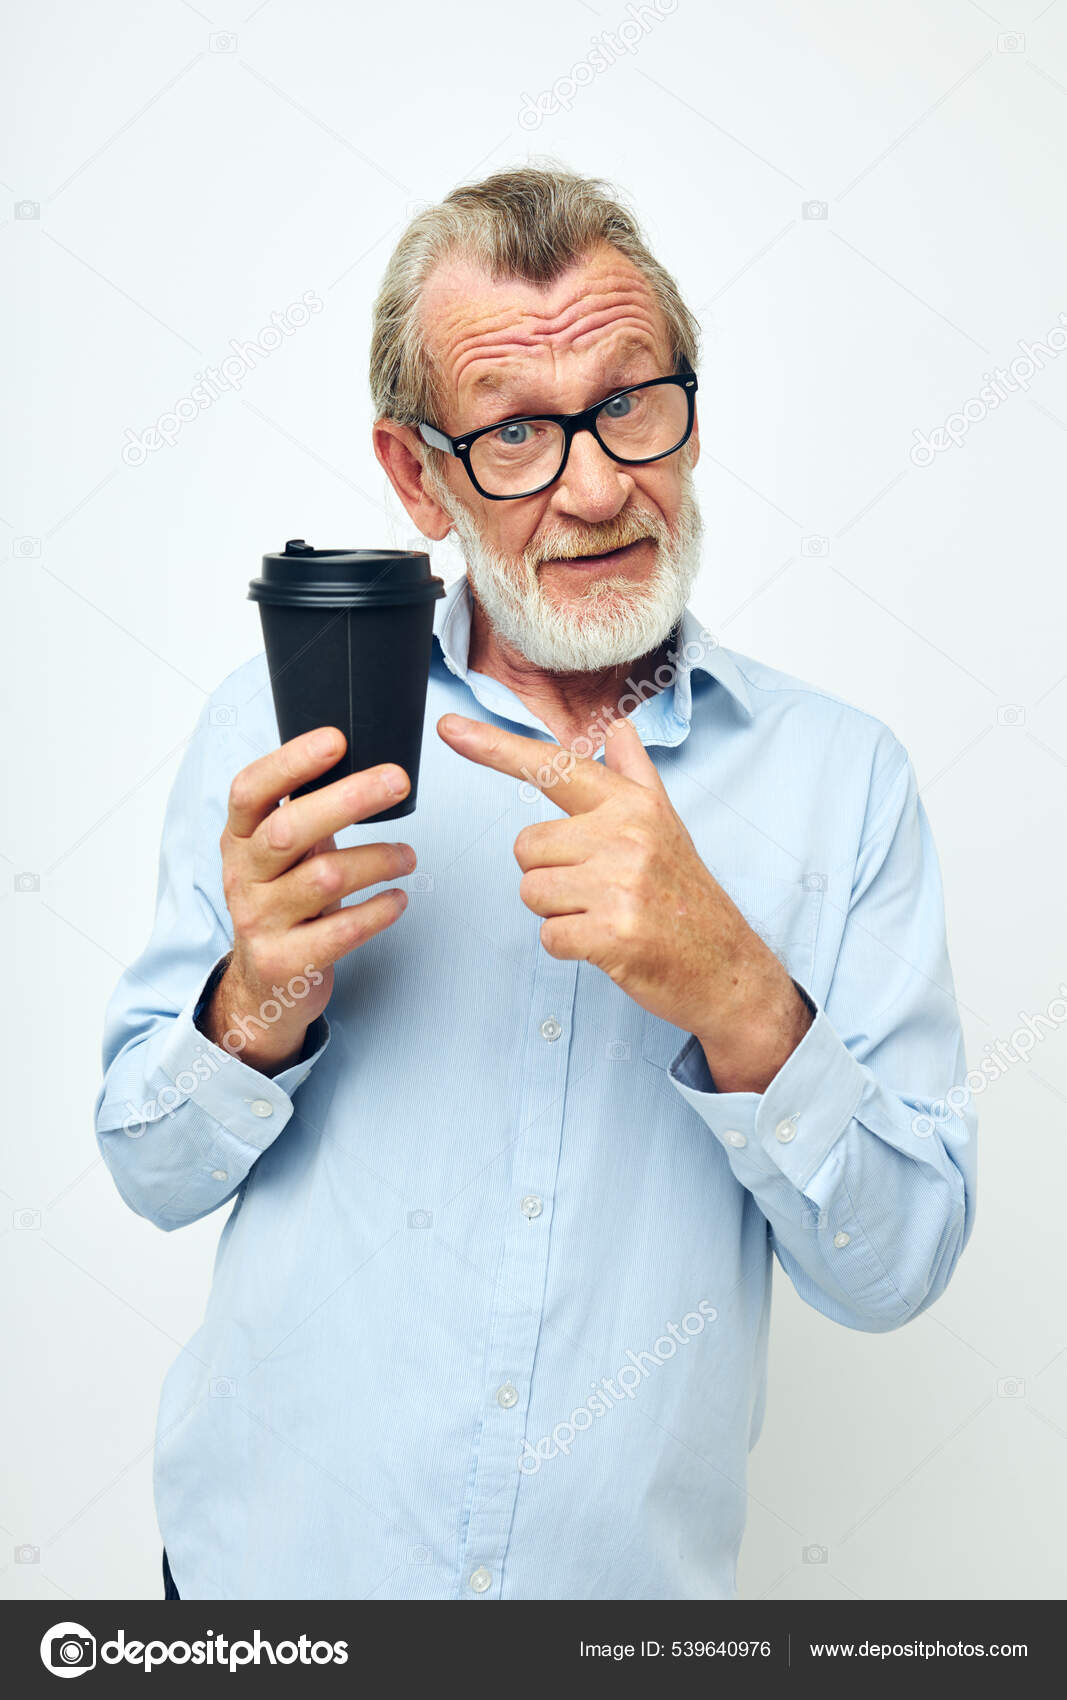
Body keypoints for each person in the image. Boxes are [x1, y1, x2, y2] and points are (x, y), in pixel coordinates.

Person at [96, 166, 976, 1602]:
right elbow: (151, 1173)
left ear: (692, 411)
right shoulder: (279, 737)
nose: (597, 485)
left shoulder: (846, 779)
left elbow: (896, 1269)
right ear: (416, 478)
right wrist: (256, 1000)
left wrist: (738, 992)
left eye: (630, 402)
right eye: (513, 430)